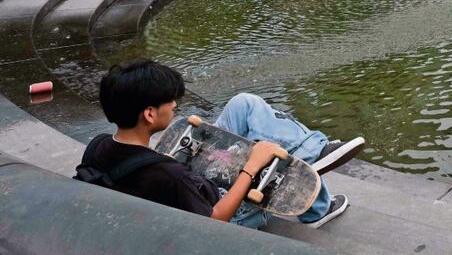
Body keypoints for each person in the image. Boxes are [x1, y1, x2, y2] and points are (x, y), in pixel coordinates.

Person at [77, 59, 364, 230]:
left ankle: (314, 150)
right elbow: (214, 222)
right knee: (273, 158)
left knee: (244, 104)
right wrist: (249, 170)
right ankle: (313, 170)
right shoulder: (170, 176)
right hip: (225, 211)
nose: (175, 105)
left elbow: (146, 180)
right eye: (169, 101)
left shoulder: (99, 145)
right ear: (150, 113)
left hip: (185, 188)